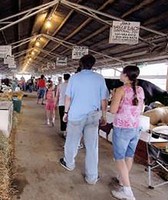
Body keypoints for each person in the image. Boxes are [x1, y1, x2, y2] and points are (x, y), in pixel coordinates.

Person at [59, 54, 109, 185]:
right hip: (93, 116)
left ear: (81, 64)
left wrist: (65, 112)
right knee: (92, 146)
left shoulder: (74, 78)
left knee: (72, 141)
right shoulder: (99, 78)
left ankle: (69, 163)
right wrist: (104, 116)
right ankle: (92, 176)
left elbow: (68, 98)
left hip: (76, 115)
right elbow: (104, 100)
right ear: (93, 64)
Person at [110, 65, 144, 200]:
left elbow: (112, 110)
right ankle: (123, 181)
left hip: (122, 128)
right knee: (129, 155)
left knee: (119, 158)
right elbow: (141, 109)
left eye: (121, 73)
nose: (120, 75)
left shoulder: (120, 90)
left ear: (125, 75)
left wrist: (114, 98)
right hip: (135, 127)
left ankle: (128, 192)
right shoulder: (140, 89)